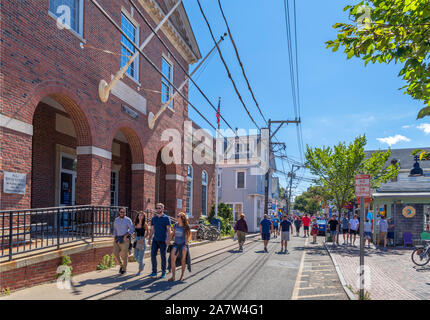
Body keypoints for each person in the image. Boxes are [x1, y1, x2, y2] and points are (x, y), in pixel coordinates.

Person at [147, 203, 171, 279]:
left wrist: (168, 239)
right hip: (155, 240)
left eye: (159, 208)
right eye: (157, 208)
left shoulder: (166, 218)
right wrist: (149, 238)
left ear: (162, 209)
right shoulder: (154, 218)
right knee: (153, 255)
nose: (158, 209)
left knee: (163, 256)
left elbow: (169, 230)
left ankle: (163, 271)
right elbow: (152, 230)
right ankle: (154, 271)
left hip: (163, 240)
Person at [168, 212, 191, 282]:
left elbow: (187, 238)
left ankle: (182, 275)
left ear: (182, 218)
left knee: (183, 260)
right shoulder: (175, 225)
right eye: (177, 216)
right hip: (176, 244)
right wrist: (168, 238)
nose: (177, 217)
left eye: (178, 216)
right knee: (172, 259)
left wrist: (185, 246)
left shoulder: (186, 226)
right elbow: (173, 233)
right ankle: (173, 276)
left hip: (183, 245)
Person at [113, 208, 135, 275]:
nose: (123, 213)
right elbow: (115, 229)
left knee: (124, 255)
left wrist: (126, 235)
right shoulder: (116, 220)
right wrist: (114, 237)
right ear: (119, 212)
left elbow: (132, 229)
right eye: (121, 212)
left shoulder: (128, 220)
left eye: (124, 212)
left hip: (125, 239)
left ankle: (124, 269)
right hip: (117, 239)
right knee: (115, 253)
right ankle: (121, 265)